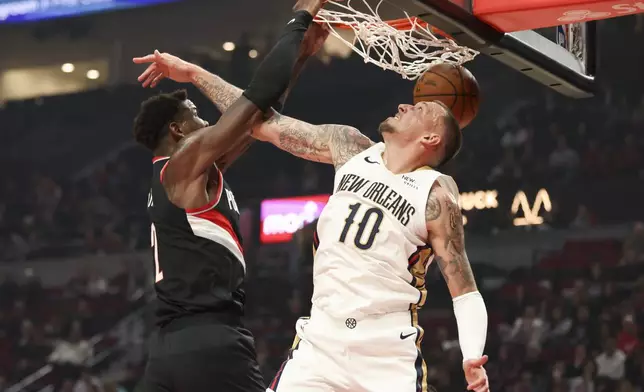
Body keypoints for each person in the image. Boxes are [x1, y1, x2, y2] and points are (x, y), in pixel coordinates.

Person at [135, 44, 489, 392]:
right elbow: (260, 121)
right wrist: (195, 73)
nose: (403, 104)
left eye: (418, 108)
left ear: (430, 137)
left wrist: (472, 355)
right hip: (321, 344)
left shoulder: (435, 194)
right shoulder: (349, 146)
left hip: (386, 352)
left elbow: (464, 289)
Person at [130, 1, 327, 391]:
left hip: (172, 347)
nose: (207, 120)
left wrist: (301, 56)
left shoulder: (190, 173)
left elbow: (259, 119)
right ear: (178, 130)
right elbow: (257, 93)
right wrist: (299, 18)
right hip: (211, 342)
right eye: (195, 115)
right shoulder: (183, 163)